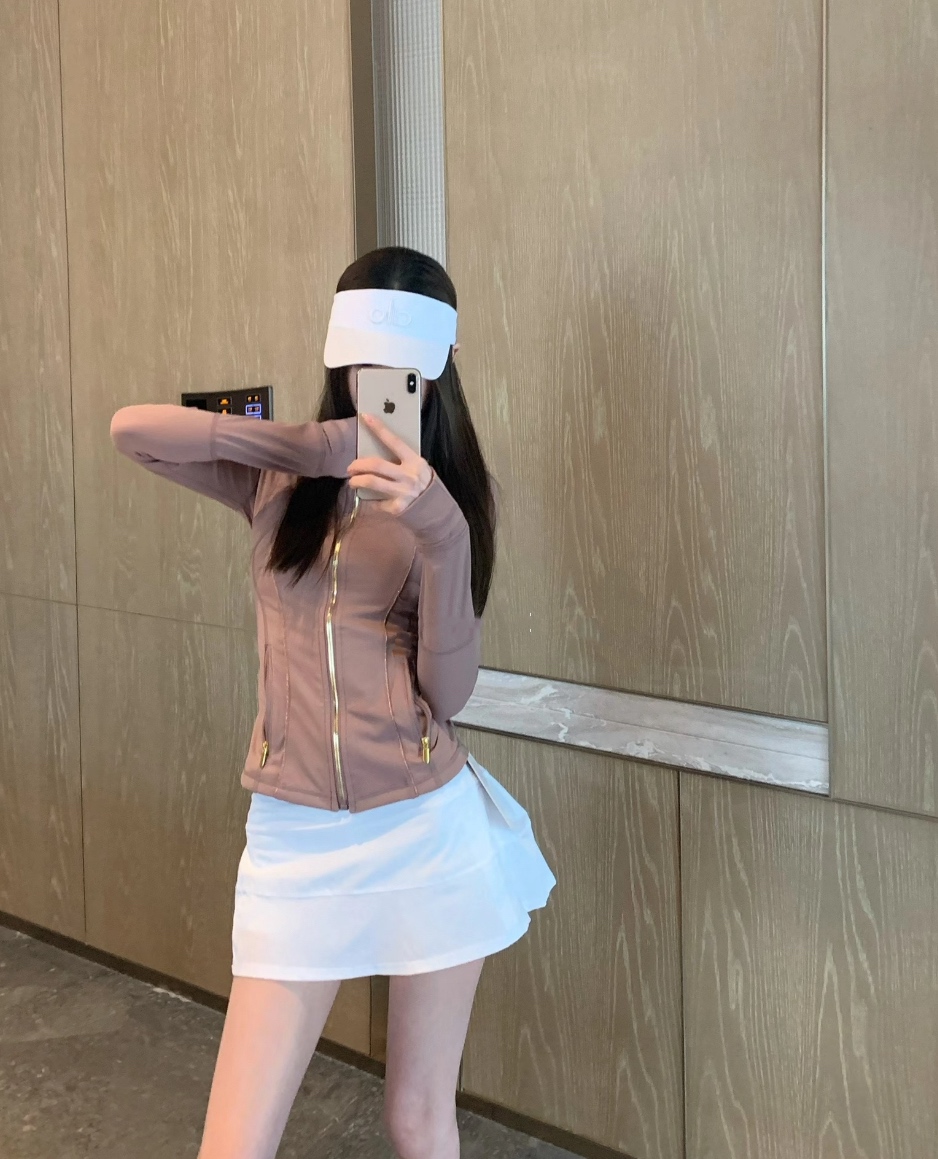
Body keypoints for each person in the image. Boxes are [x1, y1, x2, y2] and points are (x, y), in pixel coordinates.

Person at [109, 245, 556, 1159]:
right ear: (337, 357)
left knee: (416, 1119)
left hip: (424, 827)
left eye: (398, 370)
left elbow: (448, 693)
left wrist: (438, 529)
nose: (376, 385)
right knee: (233, 1144)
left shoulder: (449, 503)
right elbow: (133, 429)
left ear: (438, 368)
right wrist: (314, 448)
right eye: (360, 364)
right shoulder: (280, 482)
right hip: (295, 836)